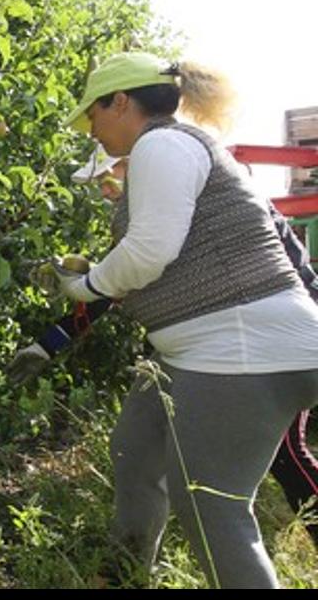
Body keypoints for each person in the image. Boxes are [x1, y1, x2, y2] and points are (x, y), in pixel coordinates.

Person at [54, 52, 318, 588]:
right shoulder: (168, 151)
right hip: (196, 350)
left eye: (93, 116)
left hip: (241, 348)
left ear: (120, 101)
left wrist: (86, 284)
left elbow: (150, 251)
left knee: (210, 505)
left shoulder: (163, 144)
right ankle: (124, 574)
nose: (93, 131)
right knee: (135, 448)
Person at [8, 144, 318, 549]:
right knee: (147, 447)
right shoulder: (156, 212)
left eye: (109, 177)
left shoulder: (194, 200)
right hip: (219, 343)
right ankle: (131, 559)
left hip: (272, 338)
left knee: (284, 456)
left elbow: (286, 267)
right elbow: (117, 285)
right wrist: (47, 345)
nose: (105, 192)